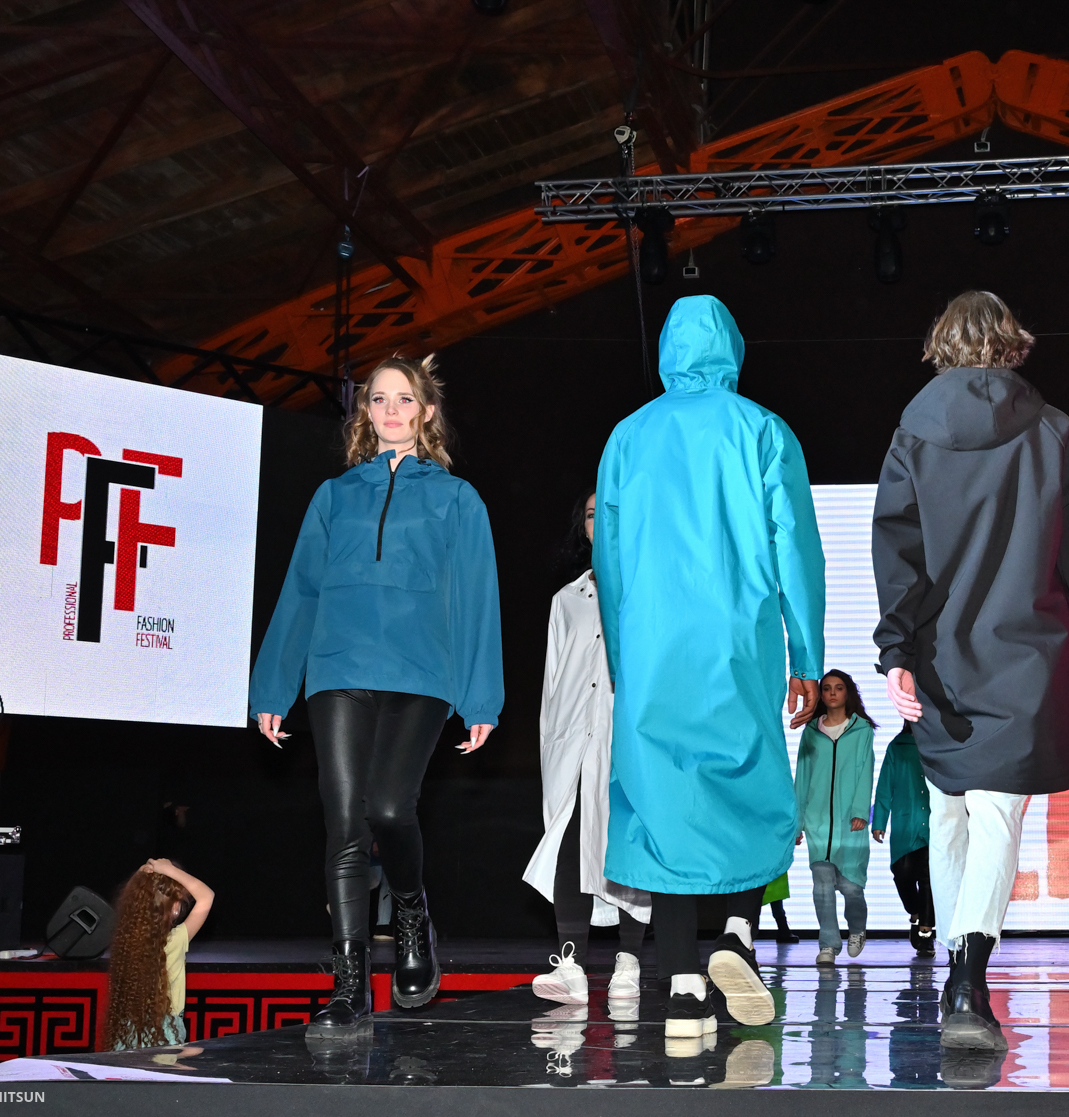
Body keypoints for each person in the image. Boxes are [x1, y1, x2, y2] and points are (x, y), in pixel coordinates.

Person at [872, 290, 1069, 1051]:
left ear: (941, 344)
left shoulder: (913, 434)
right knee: (993, 814)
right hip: (1025, 651)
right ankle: (968, 977)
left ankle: (963, 970)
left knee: (952, 813)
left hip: (941, 652)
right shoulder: (1054, 431)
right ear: (1012, 342)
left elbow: (897, 549)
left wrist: (896, 650)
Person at [250, 354, 504, 1040]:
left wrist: (481, 697)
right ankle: (349, 986)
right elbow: (301, 589)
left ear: (427, 411)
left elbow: (476, 598)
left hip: (422, 674)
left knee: (389, 807)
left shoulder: (457, 499)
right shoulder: (335, 496)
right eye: (379, 399)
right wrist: (274, 683)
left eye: (404, 398)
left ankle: (412, 909)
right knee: (344, 826)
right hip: (338, 667)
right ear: (366, 412)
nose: (392, 409)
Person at [595, 295, 826, 1041]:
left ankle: (684, 992)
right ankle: (735, 934)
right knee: (750, 789)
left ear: (667, 347)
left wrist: (624, 658)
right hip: (738, 641)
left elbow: (610, 560)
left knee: (665, 807)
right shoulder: (763, 429)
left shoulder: (628, 435)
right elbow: (796, 548)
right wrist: (807, 656)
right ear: (732, 345)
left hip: (654, 644)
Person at [526, 492, 651, 1006]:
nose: (601, 521)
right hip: (573, 739)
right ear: (584, 526)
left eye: (611, 512)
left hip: (627, 738)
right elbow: (552, 682)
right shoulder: (567, 599)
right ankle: (571, 963)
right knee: (569, 839)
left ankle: (628, 960)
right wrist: (550, 746)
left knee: (626, 841)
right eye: (593, 514)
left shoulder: (648, 589)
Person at [797, 670, 876, 965]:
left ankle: (857, 929)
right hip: (817, 821)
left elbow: (866, 771)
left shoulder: (862, 730)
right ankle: (828, 944)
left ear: (847, 693)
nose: (832, 693)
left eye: (838, 688)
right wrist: (798, 821)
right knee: (822, 886)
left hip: (849, 822)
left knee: (851, 887)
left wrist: (860, 811)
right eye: (827, 688)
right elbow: (802, 777)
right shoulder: (811, 732)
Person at [104, 859, 214, 1050]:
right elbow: (206, 896)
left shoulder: (127, 943)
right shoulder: (174, 940)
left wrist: (142, 875)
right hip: (164, 1032)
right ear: (175, 907)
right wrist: (169, 870)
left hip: (128, 1032)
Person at [871, 723, 936, 957]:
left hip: (934, 820)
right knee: (902, 873)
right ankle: (915, 913)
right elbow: (884, 786)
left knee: (929, 877)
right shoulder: (897, 746)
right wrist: (879, 822)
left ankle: (926, 932)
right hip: (904, 822)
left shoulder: (939, 744)